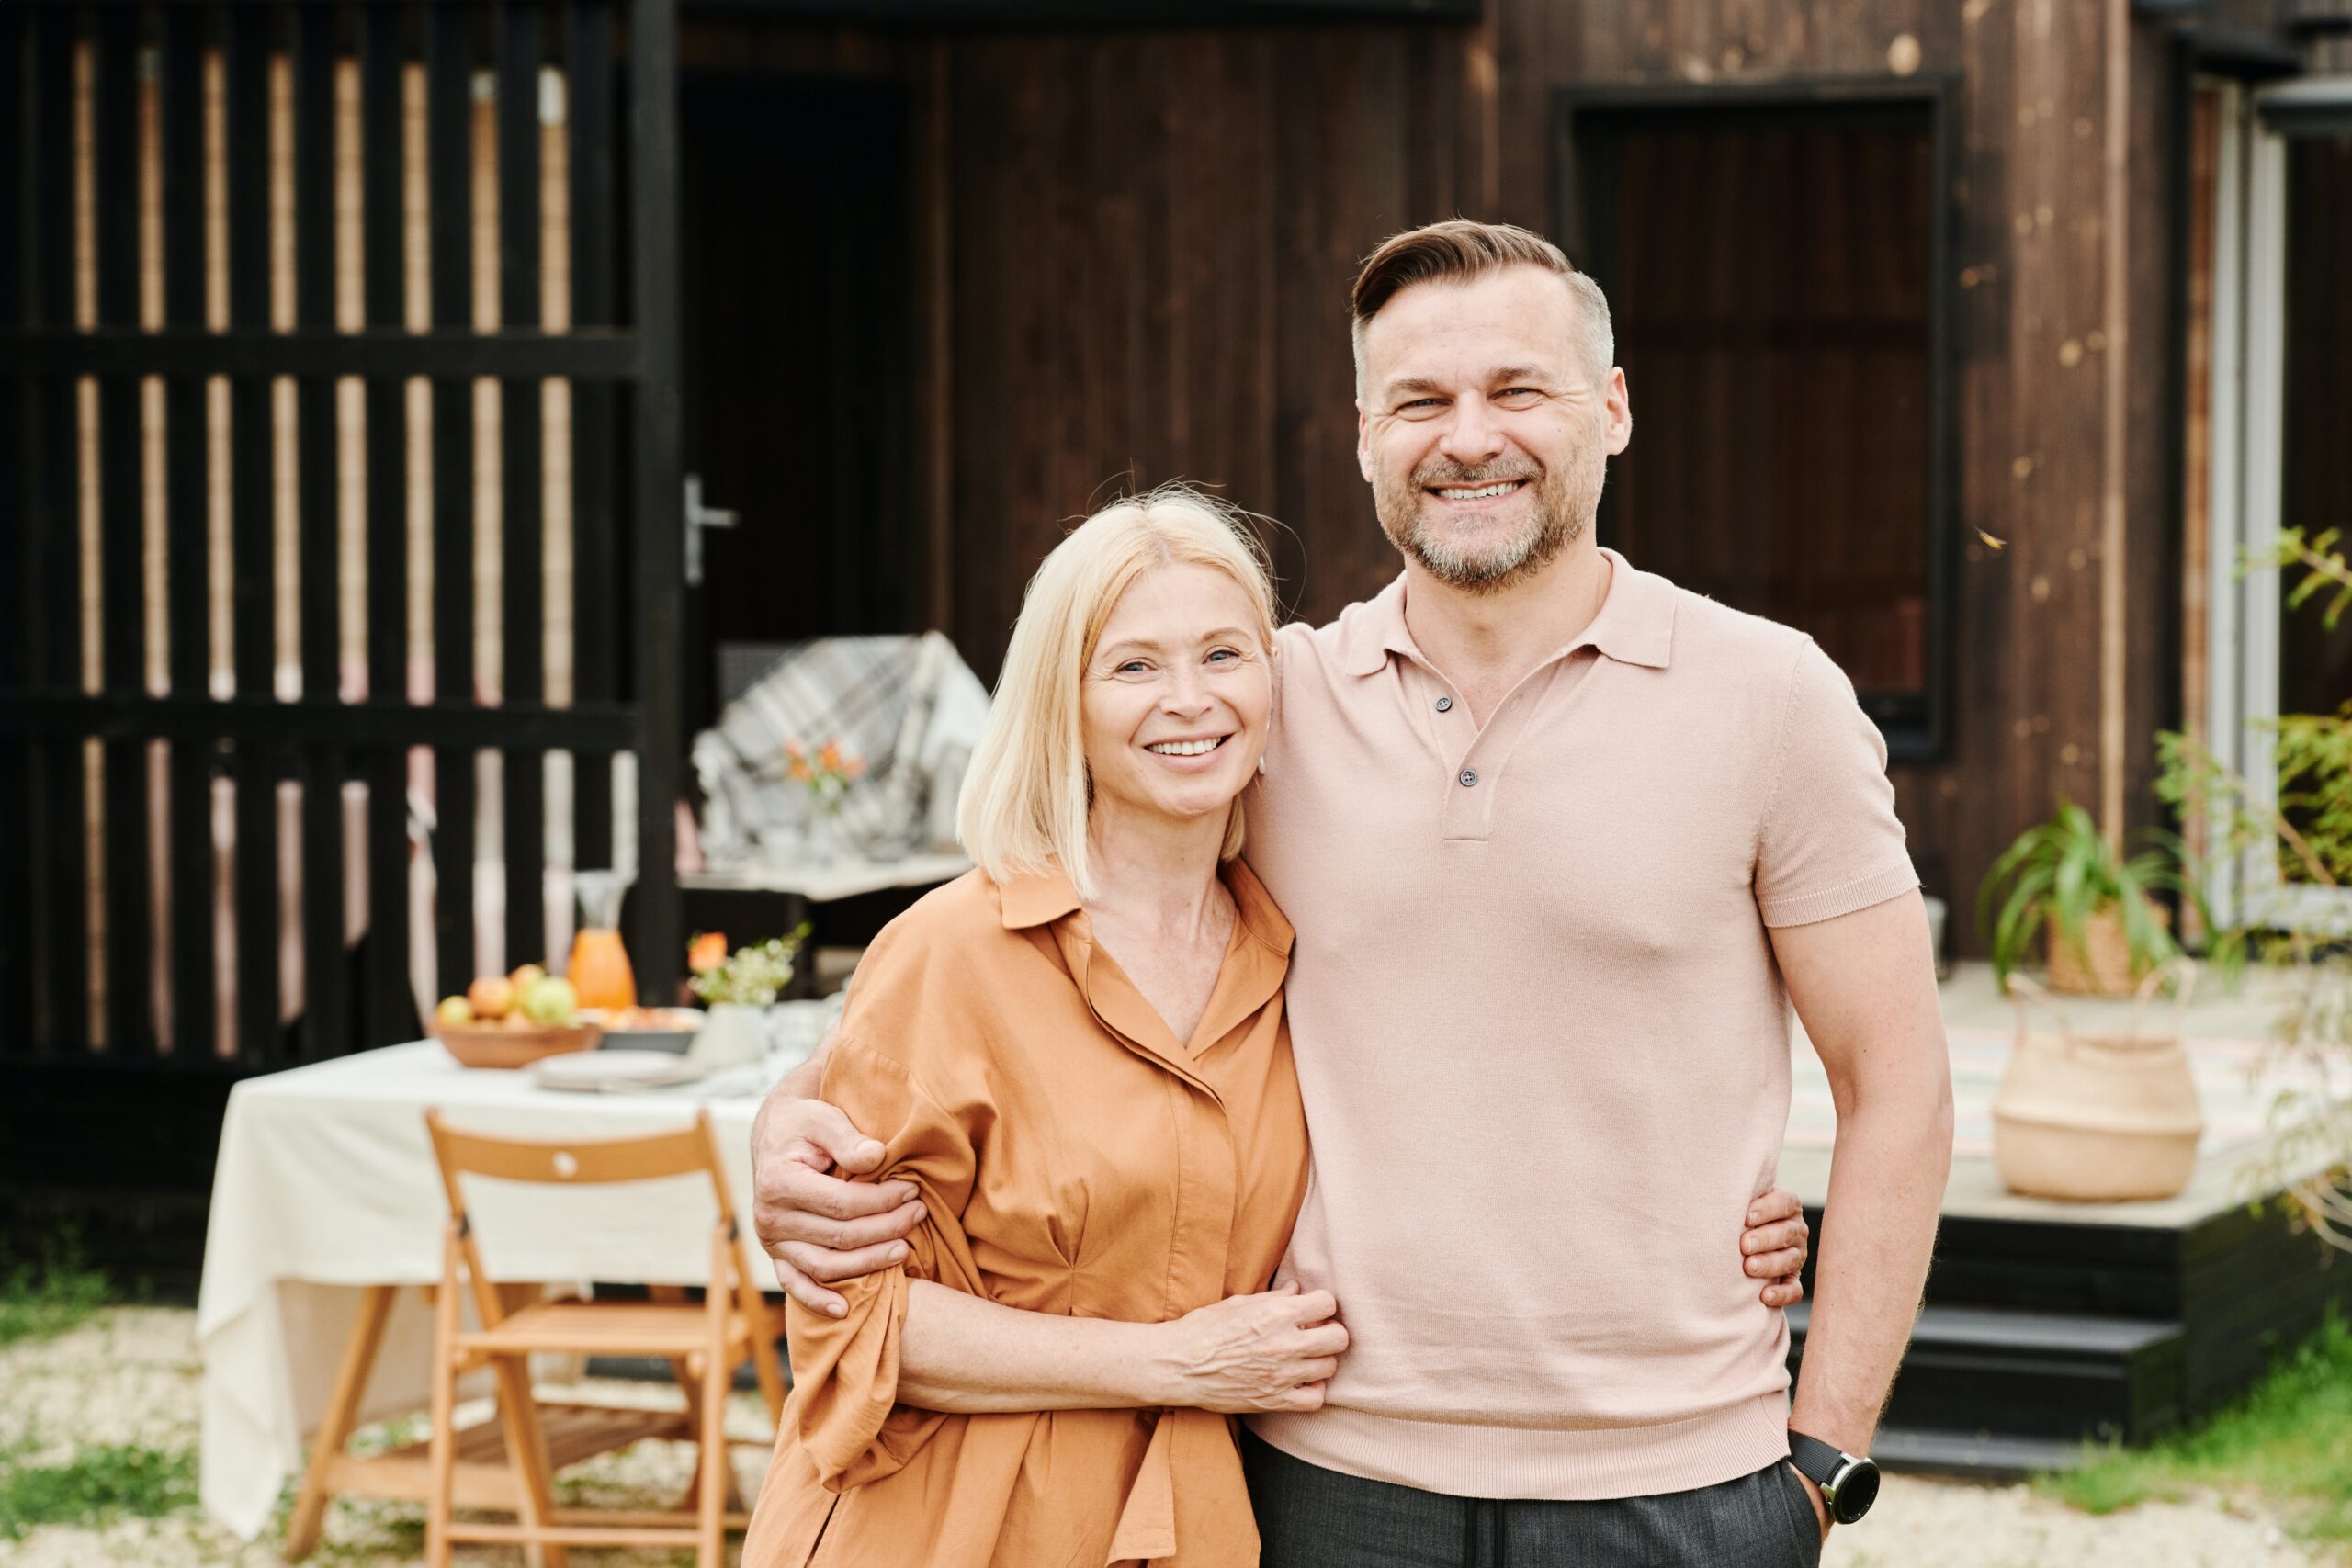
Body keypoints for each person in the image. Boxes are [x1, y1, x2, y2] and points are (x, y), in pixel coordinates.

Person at [756, 220, 1944, 1567]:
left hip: (1681, 1480)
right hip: (1325, 1475)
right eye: (1420, 401)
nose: (1467, 436)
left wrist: (1825, 1453)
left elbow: (1897, 1086)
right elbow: (1015, 948)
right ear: (1366, 434)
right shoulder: (1270, 707)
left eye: (1517, 390)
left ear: (1610, 409)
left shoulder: (1772, 699)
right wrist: (788, 1128)